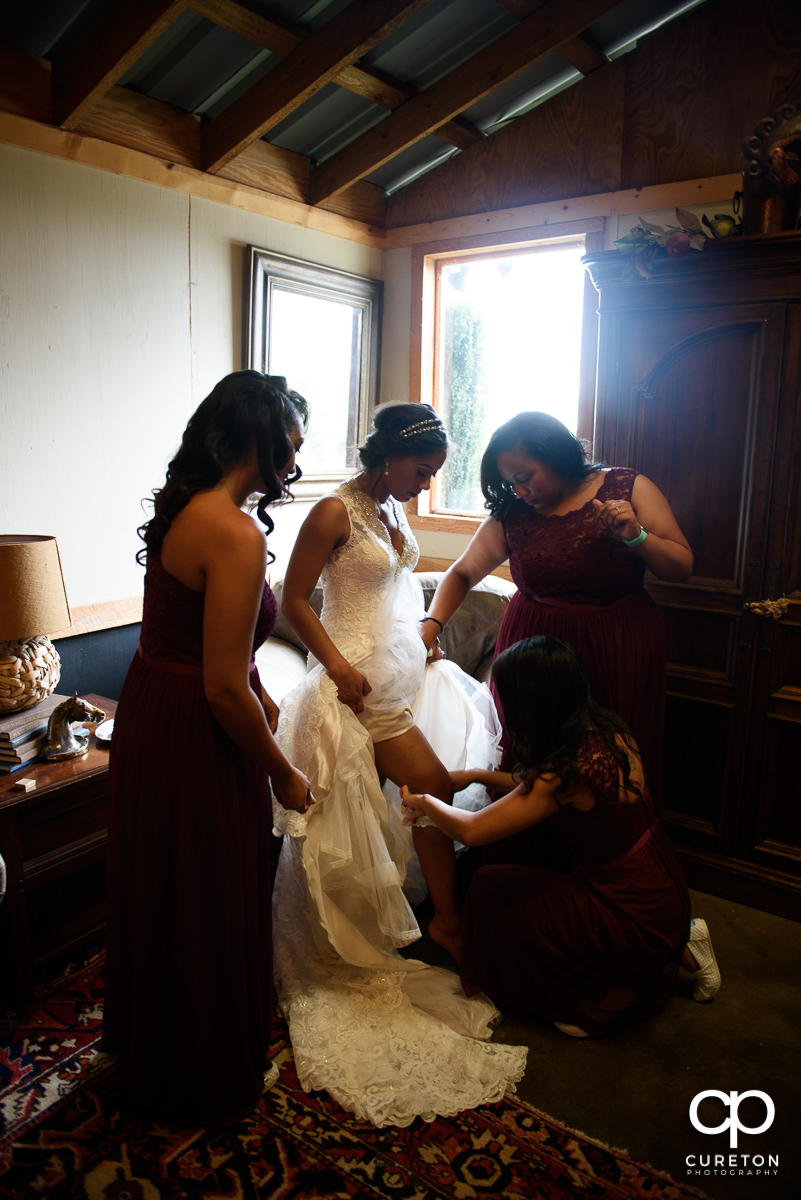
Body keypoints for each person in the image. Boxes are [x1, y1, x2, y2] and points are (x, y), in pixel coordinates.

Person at [272, 402, 525, 1127]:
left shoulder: (389, 506)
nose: (424, 486)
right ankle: (441, 924)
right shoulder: (332, 511)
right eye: (422, 471)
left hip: (396, 675)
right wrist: (339, 668)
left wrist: (422, 637)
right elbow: (294, 600)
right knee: (434, 791)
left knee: (424, 797)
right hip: (354, 691)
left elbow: (388, 590)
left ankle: (439, 922)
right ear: (386, 456)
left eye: (434, 475)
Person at [103, 370, 314, 1126]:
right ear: (255, 434)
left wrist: (257, 689)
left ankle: (156, 1039)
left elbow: (210, 651)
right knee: (205, 879)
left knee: (166, 878)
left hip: (155, 706)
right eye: (290, 436)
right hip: (195, 726)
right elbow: (221, 687)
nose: (296, 451)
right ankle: (196, 1067)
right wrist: (284, 772)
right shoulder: (233, 530)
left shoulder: (189, 511)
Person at [400, 635, 721, 1039]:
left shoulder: (564, 773)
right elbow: (534, 785)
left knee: (489, 885)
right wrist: (476, 775)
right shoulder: (607, 731)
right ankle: (679, 937)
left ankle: (587, 995)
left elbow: (471, 830)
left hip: (625, 906)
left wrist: (425, 799)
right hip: (658, 882)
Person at [420, 412, 692, 811]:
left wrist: (636, 536)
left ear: (558, 456)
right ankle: (519, 857)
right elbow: (461, 573)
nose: (519, 489)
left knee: (604, 761)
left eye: (525, 476)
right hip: (533, 657)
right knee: (529, 754)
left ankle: (605, 859)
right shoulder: (513, 513)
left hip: (614, 647)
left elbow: (681, 567)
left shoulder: (627, 487)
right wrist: (431, 625)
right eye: (510, 481)